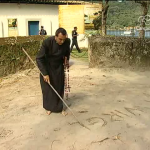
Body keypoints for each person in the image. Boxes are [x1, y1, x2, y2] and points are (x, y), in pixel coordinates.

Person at [36, 28, 70, 116]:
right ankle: (49, 107)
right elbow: (39, 58)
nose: (62, 41)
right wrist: (45, 73)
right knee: (47, 88)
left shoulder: (67, 41)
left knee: (59, 86)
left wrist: (66, 59)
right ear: (55, 37)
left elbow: (67, 52)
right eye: (60, 39)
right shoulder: (47, 42)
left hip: (58, 66)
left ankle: (59, 108)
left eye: (64, 39)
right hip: (47, 66)